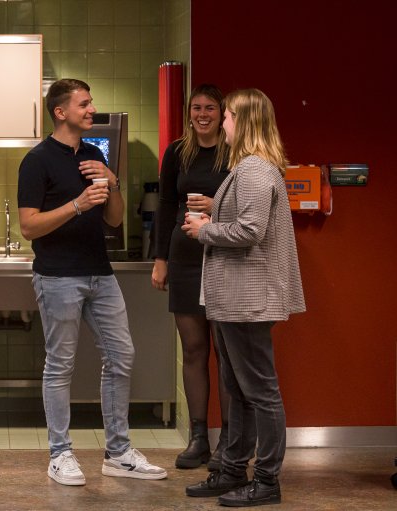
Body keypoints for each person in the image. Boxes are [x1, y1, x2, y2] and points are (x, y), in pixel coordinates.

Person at [18, 78, 167, 486]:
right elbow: (29, 226)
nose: (91, 109)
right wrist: (77, 204)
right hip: (58, 276)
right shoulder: (37, 161)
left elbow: (115, 219)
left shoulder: (93, 155)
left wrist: (111, 180)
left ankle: (118, 453)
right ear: (60, 112)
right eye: (84, 104)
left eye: (91, 102)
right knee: (59, 366)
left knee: (122, 356)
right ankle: (60, 453)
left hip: (101, 274)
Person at [182, 88, 305, 507]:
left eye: (228, 116)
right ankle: (232, 469)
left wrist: (205, 231)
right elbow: (247, 221)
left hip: (246, 298)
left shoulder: (253, 170)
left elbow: (250, 231)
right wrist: (214, 215)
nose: (223, 123)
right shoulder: (250, 169)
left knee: (260, 391)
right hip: (235, 297)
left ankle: (267, 480)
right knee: (238, 388)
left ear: (244, 121)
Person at [151, 84, 231, 470]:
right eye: (196, 108)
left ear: (222, 112)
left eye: (210, 108)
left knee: (228, 354)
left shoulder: (237, 152)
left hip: (228, 258)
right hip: (185, 258)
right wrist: (160, 258)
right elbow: (166, 205)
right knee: (194, 350)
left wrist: (218, 207)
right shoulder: (176, 152)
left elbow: (254, 205)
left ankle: (231, 439)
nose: (203, 114)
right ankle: (199, 437)